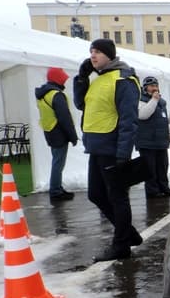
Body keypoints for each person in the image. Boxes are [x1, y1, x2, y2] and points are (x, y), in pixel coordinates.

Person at [73, 38, 142, 262]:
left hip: (112, 148)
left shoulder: (124, 79)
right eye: (91, 51)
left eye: (98, 52)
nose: (93, 55)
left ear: (110, 55)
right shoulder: (98, 80)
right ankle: (128, 234)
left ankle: (121, 245)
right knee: (96, 194)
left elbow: (129, 120)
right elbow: (80, 104)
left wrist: (124, 152)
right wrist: (81, 78)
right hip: (96, 146)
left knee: (117, 197)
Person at [35, 67, 79, 202]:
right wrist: (73, 136)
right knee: (58, 163)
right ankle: (55, 191)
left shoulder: (43, 94)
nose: (64, 82)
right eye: (63, 79)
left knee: (57, 162)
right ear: (58, 79)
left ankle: (57, 188)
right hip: (59, 132)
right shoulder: (56, 94)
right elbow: (64, 118)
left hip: (50, 131)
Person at [137, 75, 170, 198]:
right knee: (150, 168)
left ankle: (164, 187)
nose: (155, 88)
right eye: (152, 86)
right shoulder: (140, 99)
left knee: (162, 166)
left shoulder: (162, 102)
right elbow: (143, 115)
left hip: (160, 140)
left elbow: (163, 118)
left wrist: (169, 131)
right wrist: (153, 100)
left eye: (156, 86)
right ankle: (153, 191)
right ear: (146, 87)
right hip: (147, 141)